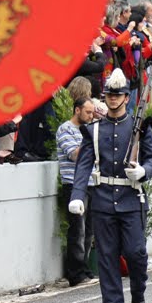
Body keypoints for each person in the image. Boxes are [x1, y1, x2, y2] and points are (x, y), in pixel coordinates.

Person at [69, 69, 152, 303]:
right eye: (109, 94)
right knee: (107, 258)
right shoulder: (94, 130)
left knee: (136, 253)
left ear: (126, 98)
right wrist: (77, 195)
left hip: (132, 199)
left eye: (118, 94)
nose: (113, 98)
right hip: (104, 201)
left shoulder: (140, 126)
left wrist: (143, 172)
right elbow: (83, 165)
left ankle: (139, 290)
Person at [57, 97, 97, 286]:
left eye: (92, 112)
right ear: (77, 110)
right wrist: (90, 139)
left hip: (91, 184)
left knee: (89, 231)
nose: (91, 116)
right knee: (77, 230)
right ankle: (75, 273)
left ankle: (85, 269)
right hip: (73, 185)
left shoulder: (88, 128)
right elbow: (75, 155)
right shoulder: (65, 129)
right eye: (88, 112)